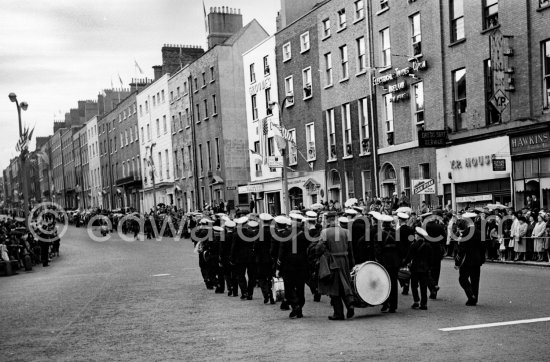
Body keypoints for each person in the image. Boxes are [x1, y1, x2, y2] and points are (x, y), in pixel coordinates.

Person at [317, 211, 355, 320]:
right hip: (345, 261)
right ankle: (350, 304)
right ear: (336, 219)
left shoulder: (325, 232)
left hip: (332, 262)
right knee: (345, 284)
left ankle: (338, 313)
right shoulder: (346, 232)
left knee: (334, 288)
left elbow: (319, 248)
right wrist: (352, 263)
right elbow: (351, 250)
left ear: (328, 220)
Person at [277, 214, 309, 319]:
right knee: (300, 286)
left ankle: (295, 305)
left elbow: (281, 252)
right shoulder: (305, 235)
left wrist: (278, 266)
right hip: (302, 264)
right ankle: (300, 307)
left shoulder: (285, 234)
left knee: (289, 286)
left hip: (288, 265)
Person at [455, 217, 485, 306]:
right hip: (477, 260)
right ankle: (474, 299)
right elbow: (483, 248)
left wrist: (457, 263)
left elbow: (461, 250)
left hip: (466, 261)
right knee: (475, 280)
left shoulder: (465, 234)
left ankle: (471, 295)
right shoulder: (480, 233)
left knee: (463, 279)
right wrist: (482, 259)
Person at [374, 214, 400, 313]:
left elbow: (377, 250)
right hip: (395, 260)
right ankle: (393, 306)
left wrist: (379, 260)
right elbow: (400, 248)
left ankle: (385, 304)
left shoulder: (379, 234)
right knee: (393, 283)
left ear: (383, 224)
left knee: (384, 283)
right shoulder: (396, 233)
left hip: (384, 260)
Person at [405, 227, 433, 310]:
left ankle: (416, 301)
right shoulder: (428, 246)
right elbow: (431, 259)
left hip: (415, 268)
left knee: (414, 285)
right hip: (424, 269)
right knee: (423, 287)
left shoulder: (413, 245)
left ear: (418, 236)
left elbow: (408, 257)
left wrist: (404, 264)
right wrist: (429, 267)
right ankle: (424, 304)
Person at [231, 217, 256, 300]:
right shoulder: (252, 233)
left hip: (240, 257)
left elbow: (233, 247)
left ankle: (244, 292)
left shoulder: (236, 234)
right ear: (246, 223)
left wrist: (232, 258)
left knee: (240, 275)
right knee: (251, 275)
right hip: (250, 256)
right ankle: (250, 293)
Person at [256, 213, 276, 304]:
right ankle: (272, 295)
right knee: (271, 277)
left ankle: (266, 294)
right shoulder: (274, 232)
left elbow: (256, 246)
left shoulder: (259, 232)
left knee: (262, 278)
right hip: (272, 258)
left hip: (261, 259)